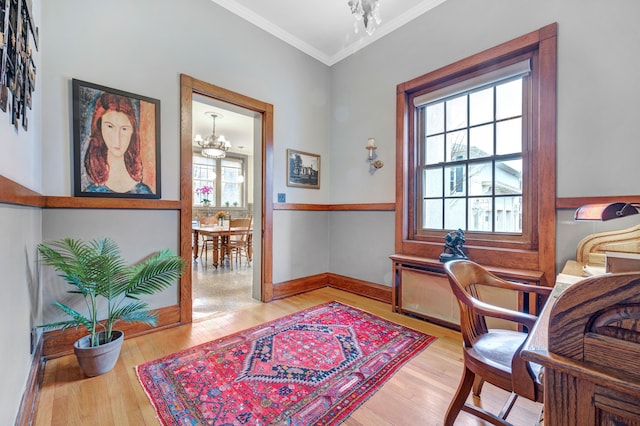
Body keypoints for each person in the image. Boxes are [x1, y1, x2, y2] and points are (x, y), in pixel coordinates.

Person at [84, 92, 153, 194]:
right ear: (99, 128)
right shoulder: (91, 191)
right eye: (110, 127)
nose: (117, 138)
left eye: (124, 129)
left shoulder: (145, 192)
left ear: (132, 132)